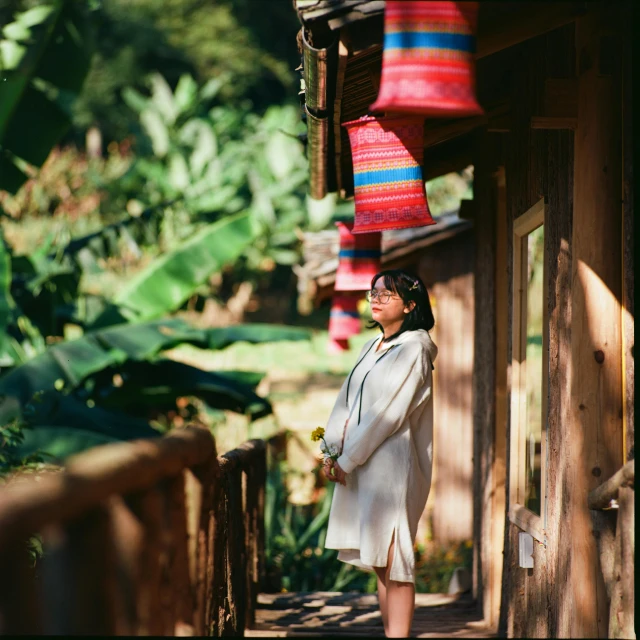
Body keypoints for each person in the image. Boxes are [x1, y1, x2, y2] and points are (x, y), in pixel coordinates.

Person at [322, 269, 437, 638]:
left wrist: (347, 459)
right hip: (361, 463)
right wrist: (331, 450)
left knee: (394, 557)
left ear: (411, 305)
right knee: (380, 561)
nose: (376, 298)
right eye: (374, 292)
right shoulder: (370, 347)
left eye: (387, 294)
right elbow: (347, 402)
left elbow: (388, 413)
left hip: (391, 467)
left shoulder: (415, 348)